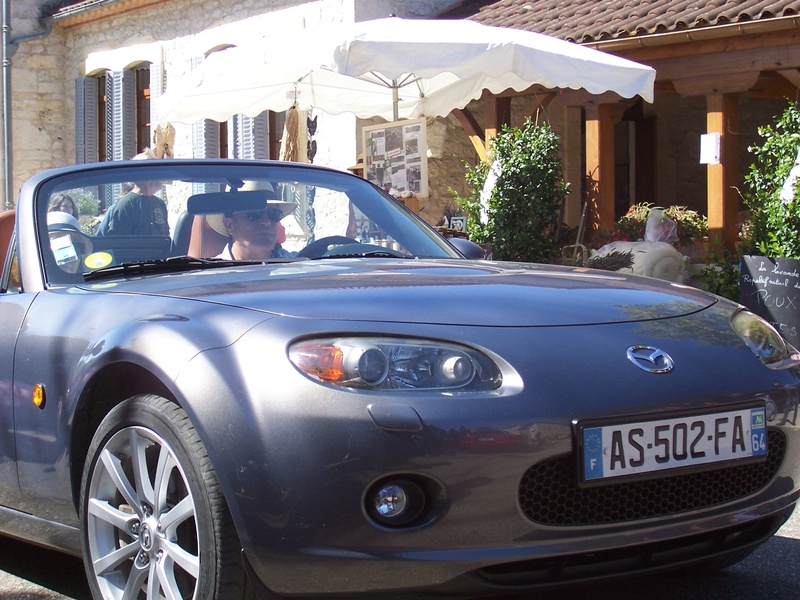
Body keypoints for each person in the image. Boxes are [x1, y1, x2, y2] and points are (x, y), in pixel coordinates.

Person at [207, 188, 296, 260]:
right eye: (254, 214)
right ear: (229, 225)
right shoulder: (211, 277)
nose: (266, 222)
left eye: (274, 214)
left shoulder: (299, 267)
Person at [101, 150, 169, 236]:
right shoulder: (126, 205)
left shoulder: (159, 203)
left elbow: (166, 237)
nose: (160, 177)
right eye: (156, 172)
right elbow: (119, 243)